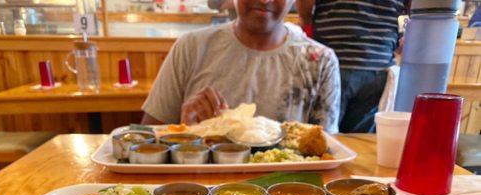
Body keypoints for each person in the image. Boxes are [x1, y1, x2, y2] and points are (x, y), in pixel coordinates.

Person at [142, 0, 341, 133]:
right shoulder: (190, 47)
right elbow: (148, 137)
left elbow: (326, 150)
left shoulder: (321, 61)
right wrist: (184, 131)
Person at [297, 0, 409, 133]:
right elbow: (411, 9)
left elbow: (305, 5)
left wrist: (305, 19)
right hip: (378, 63)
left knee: (321, 138)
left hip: (334, 61)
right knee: (359, 140)